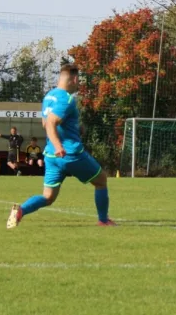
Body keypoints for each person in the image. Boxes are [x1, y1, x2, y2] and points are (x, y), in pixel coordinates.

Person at [7, 64, 114, 229]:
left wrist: (74, 130)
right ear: (74, 78)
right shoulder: (67, 98)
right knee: (101, 180)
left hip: (51, 156)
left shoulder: (48, 96)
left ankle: (20, 210)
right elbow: (51, 122)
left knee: (48, 197)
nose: (79, 84)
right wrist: (59, 145)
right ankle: (103, 220)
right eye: (79, 81)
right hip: (70, 154)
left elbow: (45, 123)